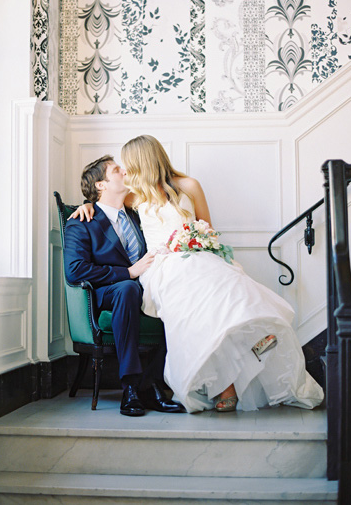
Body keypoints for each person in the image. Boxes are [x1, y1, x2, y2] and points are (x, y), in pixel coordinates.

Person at [71, 135, 324, 413]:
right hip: (162, 264)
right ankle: (230, 372)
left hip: (195, 255)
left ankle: (251, 342)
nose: (126, 171)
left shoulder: (189, 185)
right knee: (193, 288)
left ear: (144, 160)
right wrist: (87, 204)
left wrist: (198, 242)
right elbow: (106, 203)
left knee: (222, 280)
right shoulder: (135, 195)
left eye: (128, 165)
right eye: (121, 168)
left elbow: (208, 228)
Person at [63, 154, 184, 416]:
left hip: (148, 285)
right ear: (100, 185)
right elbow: (74, 271)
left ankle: (150, 383)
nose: (125, 171)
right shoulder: (81, 221)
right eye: (117, 170)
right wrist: (128, 272)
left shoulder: (139, 215)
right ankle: (130, 386)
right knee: (127, 289)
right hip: (110, 292)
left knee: (181, 291)